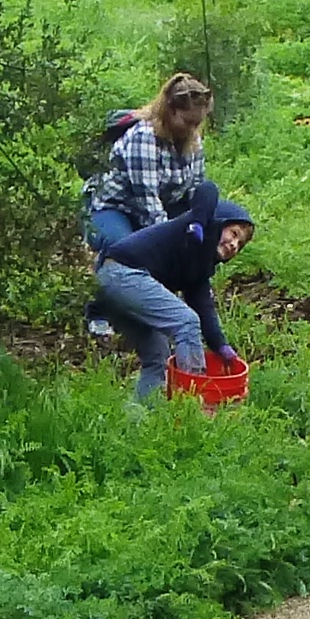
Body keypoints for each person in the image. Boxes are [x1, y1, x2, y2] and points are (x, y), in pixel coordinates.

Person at [84, 74, 217, 401]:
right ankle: (100, 306)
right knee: (122, 253)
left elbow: (197, 189)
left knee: (169, 257)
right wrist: (174, 247)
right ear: (170, 111)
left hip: (159, 206)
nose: (192, 129)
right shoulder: (144, 138)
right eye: (188, 122)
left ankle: (149, 303)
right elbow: (149, 208)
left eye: (198, 123)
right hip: (113, 208)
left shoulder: (192, 141)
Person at [98, 181, 257, 374]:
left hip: (123, 285)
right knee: (186, 322)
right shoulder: (192, 228)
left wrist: (221, 346)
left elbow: (204, 309)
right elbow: (208, 189)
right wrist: (197, 222)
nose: (233, 244)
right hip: (121, 272)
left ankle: (147, 404)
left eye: (239, 244)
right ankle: (196, 391)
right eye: (233, 234)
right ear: (219, 222)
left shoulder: (200, 268)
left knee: (158, 356)